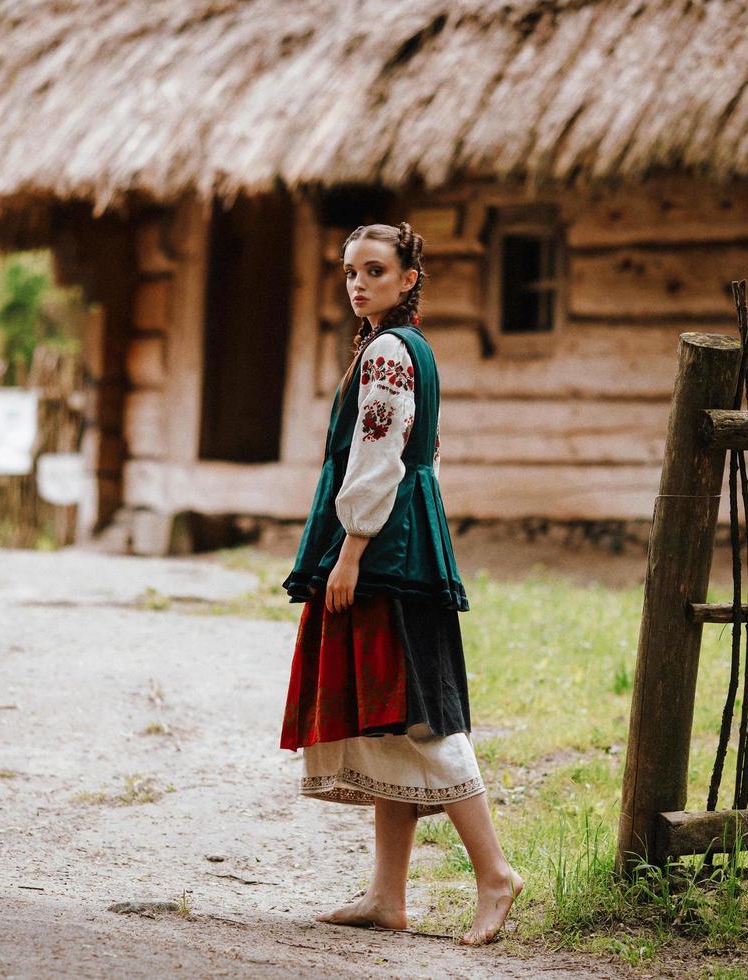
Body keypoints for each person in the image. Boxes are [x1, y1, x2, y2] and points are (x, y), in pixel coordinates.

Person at [280, 220, 522, 946]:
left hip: (386, 550)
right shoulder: (404, 348)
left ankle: (496, 875)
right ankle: (388, 895)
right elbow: (427, 454)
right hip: (404, 536)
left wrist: (352, 549)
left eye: (375, 271)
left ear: (409, 278)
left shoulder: (388, 352)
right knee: (391, 712)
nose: (358, 283)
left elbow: (382, 452)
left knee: (419, 713)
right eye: (351, 271)